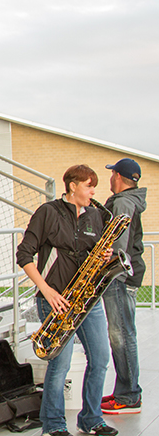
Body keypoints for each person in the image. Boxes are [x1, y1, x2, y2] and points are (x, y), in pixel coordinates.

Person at [17, 165, 117, 436]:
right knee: (60, 362)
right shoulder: (48, 212)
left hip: (87, 299)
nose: (93, 191)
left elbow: (95, 254)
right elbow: (24, 254)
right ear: (72, 186)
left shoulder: (95, 216)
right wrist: (46, 290)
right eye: (88, 185)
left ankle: (91, 419)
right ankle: (53, 425)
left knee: (100, 358)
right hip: (56, 300)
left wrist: (106, 257)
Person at [101, 158, 146, 414]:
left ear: (117, 176)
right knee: (124, 333)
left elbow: (120, 240)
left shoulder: (123, 202)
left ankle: (128, 396)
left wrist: (112, 260)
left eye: (111, 174)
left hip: (120, 277)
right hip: (128, 275)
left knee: (121, 335)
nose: (110, 179)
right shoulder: (130, 200)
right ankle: (125, 391)